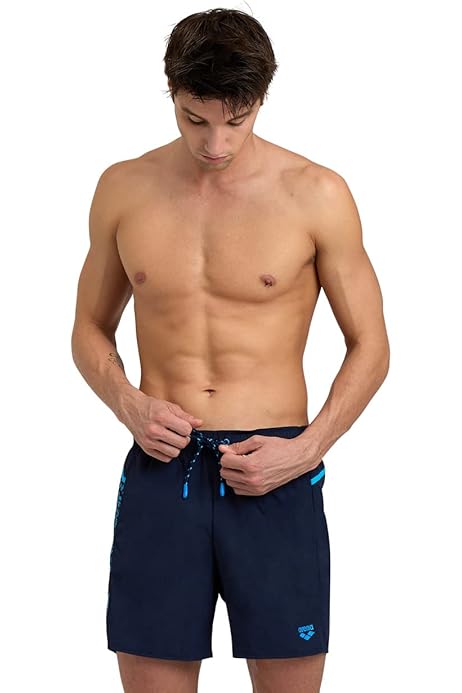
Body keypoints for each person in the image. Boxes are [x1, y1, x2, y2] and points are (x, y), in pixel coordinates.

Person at [71, 7, 390, 693]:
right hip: (163, 468)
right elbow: (88, 327)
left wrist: (308, 449)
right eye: (195, 119)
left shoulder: (316, 193)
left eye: (235, 122)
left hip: (276, 468)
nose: (215, 143)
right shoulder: (123, 188)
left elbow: (371, 344)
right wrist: (128, 403)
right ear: (171, 91)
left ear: (262, 99)